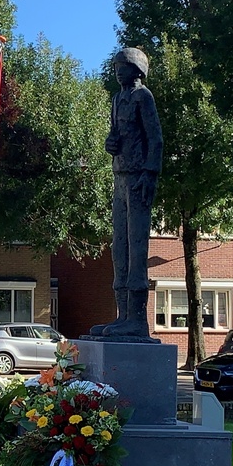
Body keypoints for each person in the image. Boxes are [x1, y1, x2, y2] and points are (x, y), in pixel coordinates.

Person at [89, 47, 163, 340]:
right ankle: (122, 316)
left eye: (124, 65)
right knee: (118, 246)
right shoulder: (117, 99)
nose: (118, 70)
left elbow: (155, 138)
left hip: (138, 179)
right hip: (119, 177)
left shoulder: (143, 97)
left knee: (136, 245)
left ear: (138, 69)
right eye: (116, 65)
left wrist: (149, 173)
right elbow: (115, 136)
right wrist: (111, 144)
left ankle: (137, 320)